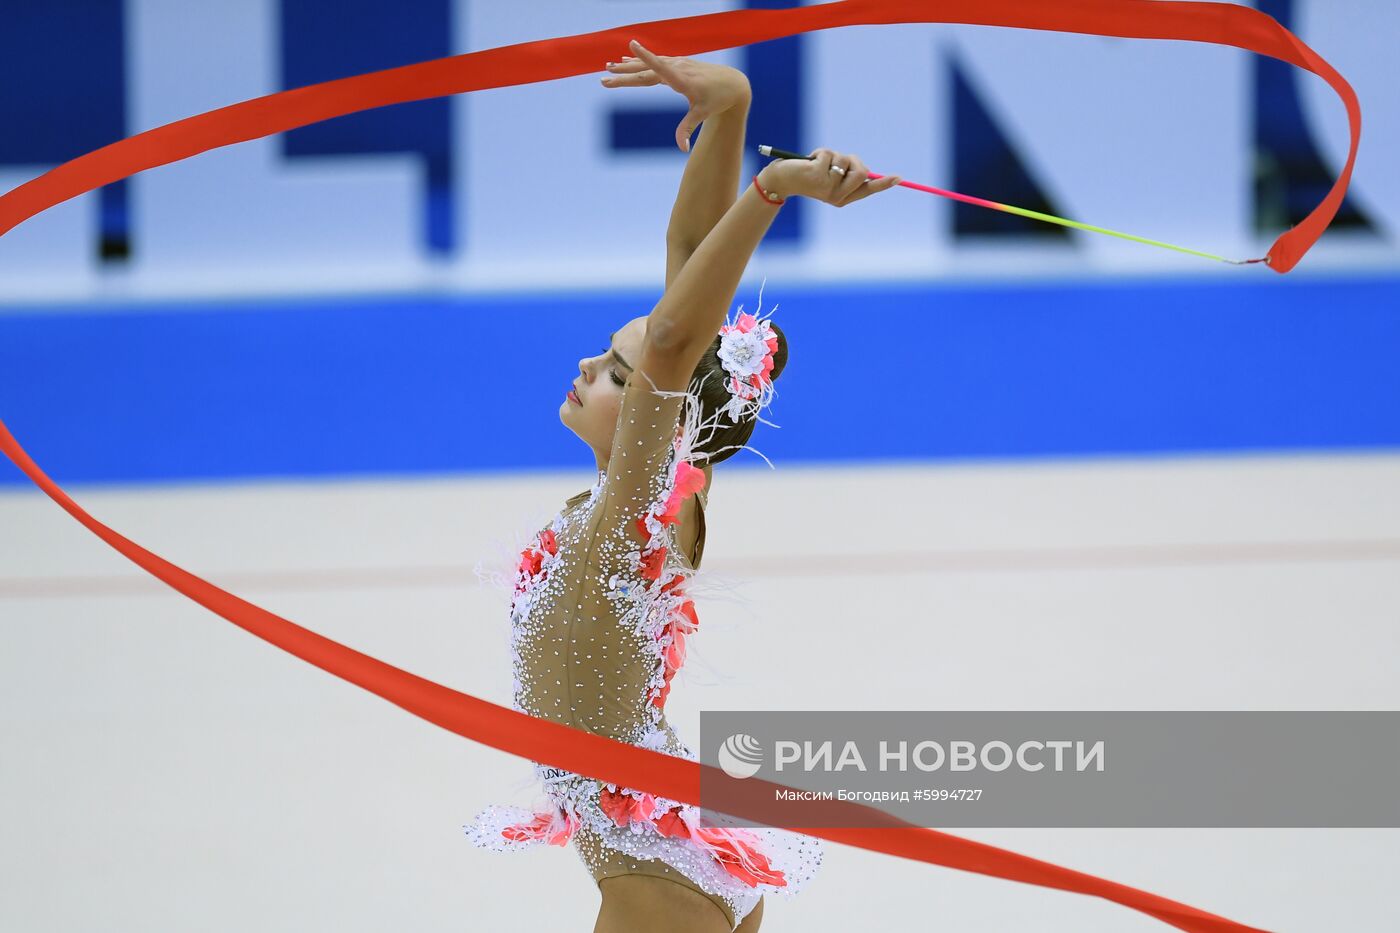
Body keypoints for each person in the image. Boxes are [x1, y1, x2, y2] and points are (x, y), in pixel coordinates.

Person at [464, 39, 902, 932]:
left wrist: (773, 189)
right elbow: (688, 264)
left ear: (651, 413)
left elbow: (672, 339)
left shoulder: (635, 511)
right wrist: (730, 112)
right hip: (674, 843)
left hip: (650, 879)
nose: (589, 364)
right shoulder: (671, 485)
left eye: (615, 372)